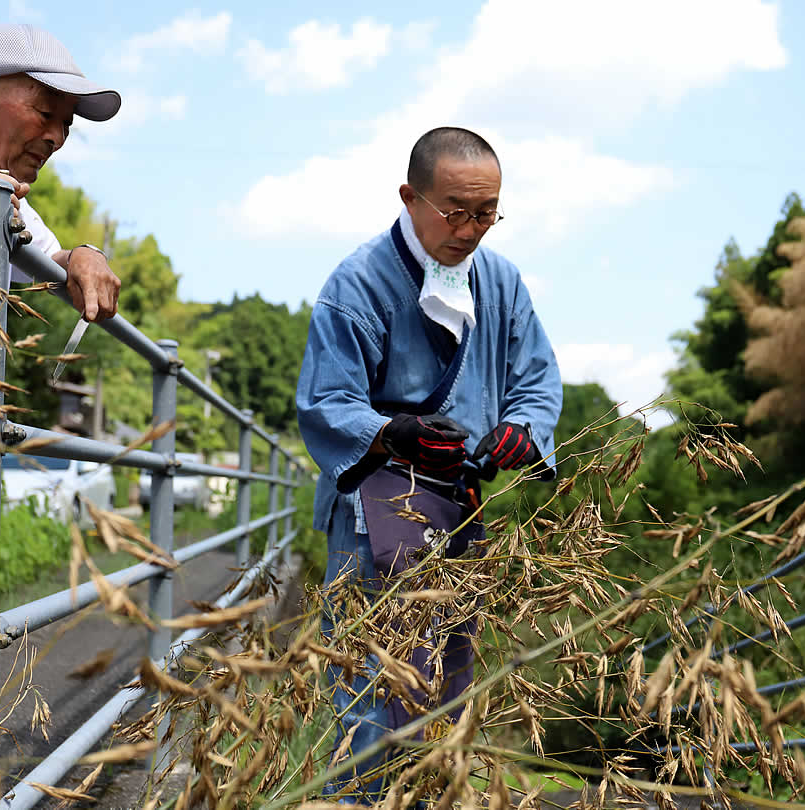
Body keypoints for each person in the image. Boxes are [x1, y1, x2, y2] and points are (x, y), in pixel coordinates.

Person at [294, 127, 562, 802]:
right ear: (410, 198)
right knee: (370, 689)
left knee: (445, 684)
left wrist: (523, 432)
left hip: (461, 509)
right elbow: (325, 402)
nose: (471, 229)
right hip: (372, 512)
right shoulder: (355, 284)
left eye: (487, 212)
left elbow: (536, 380)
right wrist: (391, 431)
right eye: (456, 211)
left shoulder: (501, 281)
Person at [0, 23, 123, 747]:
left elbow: (49, 248)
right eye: (44, 113)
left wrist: (86, 251)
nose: (56, 136)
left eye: (67, 125)